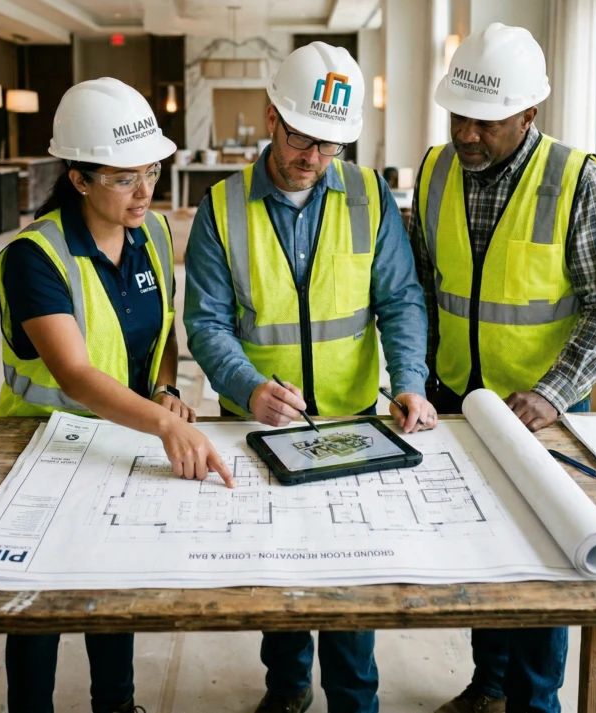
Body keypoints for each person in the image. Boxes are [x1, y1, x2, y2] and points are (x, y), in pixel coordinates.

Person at [184, 41, 436, 713]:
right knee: (280, 573)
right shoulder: (221, 207)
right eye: (303, 137)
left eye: (332, 145)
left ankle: (356, 702)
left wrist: (409, 379)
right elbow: (206, 322)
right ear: (272, 116)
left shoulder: (368, 196)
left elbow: (400, 298)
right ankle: (288, 688)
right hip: (263, 426)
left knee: (352, 580)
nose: (314, 157)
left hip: (354, 418)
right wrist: (245, 385)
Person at [409, 24, 596, 713]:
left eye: (487, 121)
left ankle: (535, 702)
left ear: (530, 114)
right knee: (484, 553)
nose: (467, 134)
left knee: (545, 564)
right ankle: (489, 684)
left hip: (545, 411)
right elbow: (421, 283)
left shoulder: (576, 178)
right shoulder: (435, 168)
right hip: (459, 399)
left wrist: (553, 392)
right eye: (459, 117)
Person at [0, 76, 234, 713]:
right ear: (77, 177)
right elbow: (73, 374)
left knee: (111, 589)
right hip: (40, 453)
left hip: (115, 441)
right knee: (36, 605)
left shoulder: (151, 234)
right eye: (124, 178)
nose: (145, 191)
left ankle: (118, 706)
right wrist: (162, 423)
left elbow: (161, 337)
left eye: (151, 172)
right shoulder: (35, 258)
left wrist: (163, 388)